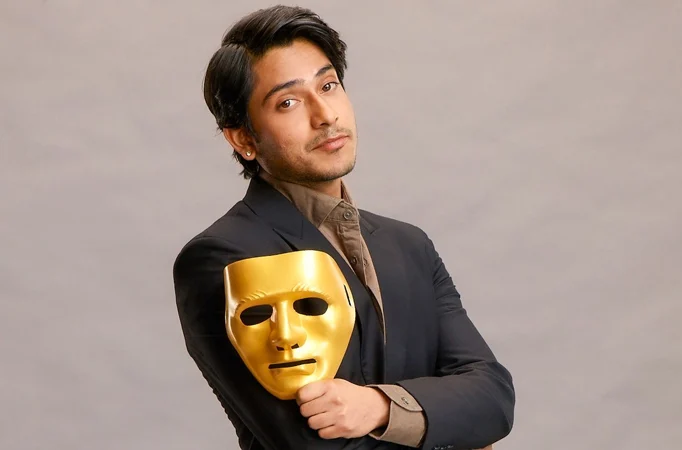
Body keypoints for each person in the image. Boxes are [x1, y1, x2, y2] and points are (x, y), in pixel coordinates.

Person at [172, 5, 515, 450]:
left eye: (328, 85)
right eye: (288, 102)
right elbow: (316, 445)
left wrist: (379, 407)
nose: (325, 115)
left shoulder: (409, 245)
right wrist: (445, 422)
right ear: (243, 139)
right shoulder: (225, 255)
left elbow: (494, 399)